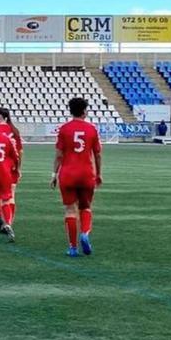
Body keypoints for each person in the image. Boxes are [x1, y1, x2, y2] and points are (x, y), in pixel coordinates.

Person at [51, 97, 102, 257]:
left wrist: (54, 174)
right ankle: (85, 233)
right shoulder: (92, 129)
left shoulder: (64, 129)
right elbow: (98, 154)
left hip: (67, 174)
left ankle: (73, 247)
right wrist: (99, 174)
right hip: (87, 173)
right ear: (84, 111)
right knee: (85, 207)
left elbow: (59, 155)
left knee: (70, 210)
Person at [0, 107, 23, 232]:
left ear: (0, 116)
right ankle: (8, 223)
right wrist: (19, 168)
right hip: (12, 167)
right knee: (11, 196)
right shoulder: (14, 131)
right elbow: (20, 151)